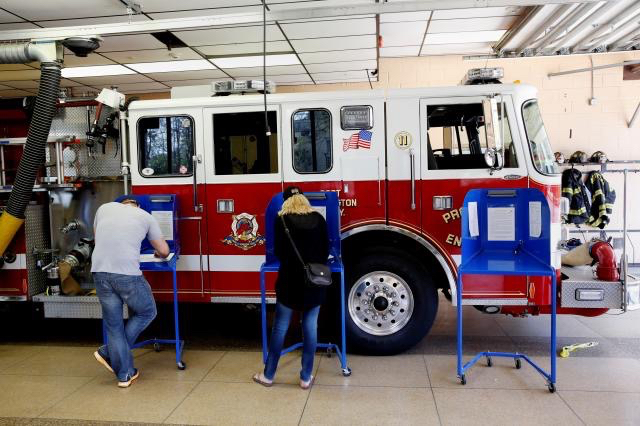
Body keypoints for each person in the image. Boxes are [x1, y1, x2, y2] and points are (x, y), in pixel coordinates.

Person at [253, 186, 329, 390]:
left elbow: (278, 252)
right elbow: (325, 251)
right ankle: (305, 377)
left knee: (280, 328)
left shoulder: (282, 221)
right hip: (314, 283)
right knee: (310, 327)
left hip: (288, 284)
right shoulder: (319, 220)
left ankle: (268, 375)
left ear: (285, 201)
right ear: (304, 199)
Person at [91, 197, 170, 388]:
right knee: (147, 311)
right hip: (127, 275)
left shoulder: (103, 207)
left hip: (99, 272)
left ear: (121, 203)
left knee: (114, 326)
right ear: (137, 205)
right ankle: (108, 351)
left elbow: (98, 238)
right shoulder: (145, 216)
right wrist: (158, 253)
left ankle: (125, 374)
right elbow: (164, 251)